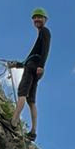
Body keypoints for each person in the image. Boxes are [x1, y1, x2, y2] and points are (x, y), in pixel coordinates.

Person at [8, 8, 50, 141]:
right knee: (31, 100)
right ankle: (33, 131)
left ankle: (13, 123)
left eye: (39, 17)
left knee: (22, 93)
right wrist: (18, 64)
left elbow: (45, 49)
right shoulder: (41, 34)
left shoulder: (45, 31)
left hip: (33, 67)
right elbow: (31, 56)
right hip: (34, 67)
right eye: (35, 18)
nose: (37, 19)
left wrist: (41, 66)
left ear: (45, 19)